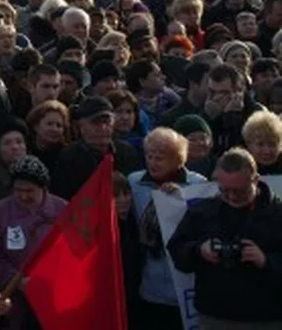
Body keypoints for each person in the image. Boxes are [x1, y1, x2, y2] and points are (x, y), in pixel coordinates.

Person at [168, 148, 282, 327]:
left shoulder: (277, 213)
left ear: (255, 180)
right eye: (224, 190)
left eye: (239, 191)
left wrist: (266, 261)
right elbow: (177, 251)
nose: (231, 196)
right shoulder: (202, 211)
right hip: (214, 315)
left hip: (266, 316)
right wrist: (199, 251)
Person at [127, 127, 207, 327]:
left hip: (185, 284)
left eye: (159, 158)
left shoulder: (198, 184)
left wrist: (179, 199)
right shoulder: (135, 181)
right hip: (150, 283)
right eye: (149, 156)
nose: (152, 163)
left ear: (177, 159)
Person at [0, 156, 65, 329]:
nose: (23, 196)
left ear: (42, 188)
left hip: (54, 296)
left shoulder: (62, 210)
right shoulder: (1, 211)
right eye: (18, 190)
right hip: (15, 298)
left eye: (30, 191)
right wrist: (16, 280)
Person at [52, 96, 141, 200]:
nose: (103, 128)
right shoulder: (69, 157)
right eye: (96, 123)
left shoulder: (127, 152)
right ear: (80, 126)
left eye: (107, 122)